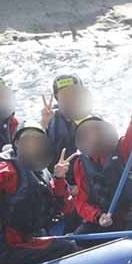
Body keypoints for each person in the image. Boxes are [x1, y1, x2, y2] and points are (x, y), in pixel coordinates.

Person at [0, 121, 79, 264]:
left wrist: (60, 178)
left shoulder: (44, 172)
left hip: (33, 240)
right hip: (8, 248)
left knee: (70, 243)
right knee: (69, 248)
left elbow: (65, 208)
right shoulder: (6, 169)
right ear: (16, 143)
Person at [73, 71, 132, 234]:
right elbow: (81, 202)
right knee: (80, 235)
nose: (92, 137)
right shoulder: (80, 163)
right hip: (106, 217)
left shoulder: (124, 148)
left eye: (96, 131)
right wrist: (98, 216)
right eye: (87, 134)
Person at [41, 73, 93, 231]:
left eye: (74, 93)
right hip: (58, 183)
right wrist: (44, 126)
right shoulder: (49, 120)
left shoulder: (93, 121)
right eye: (64, 94)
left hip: (85, 184)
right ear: (57, 97)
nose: (69, 98)